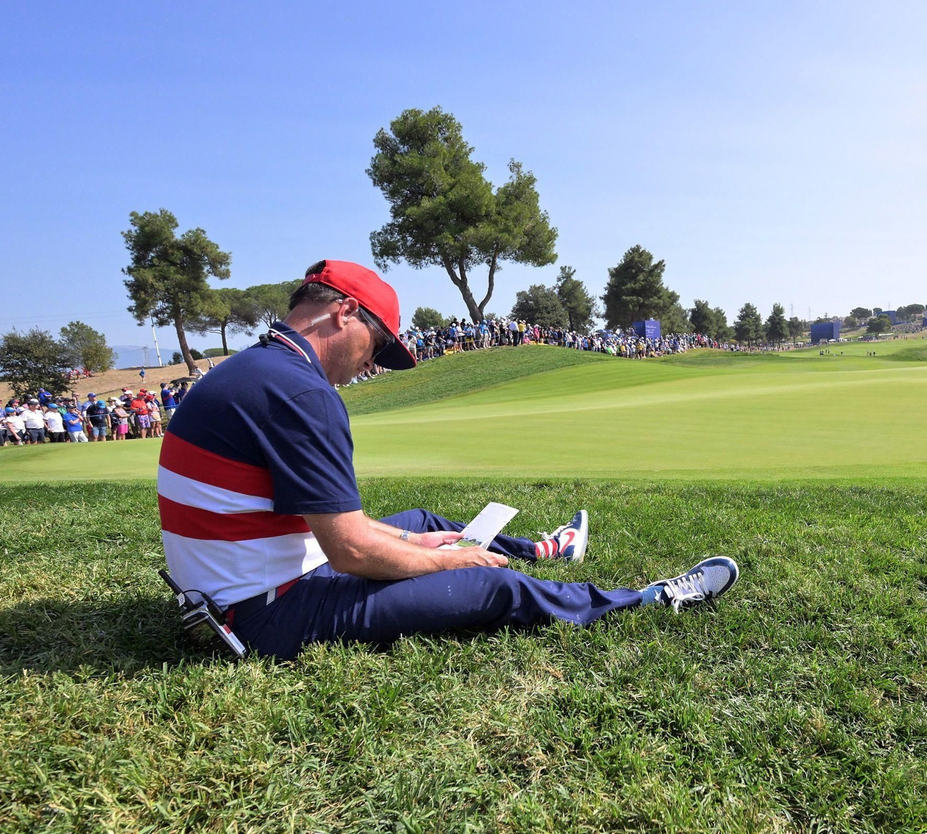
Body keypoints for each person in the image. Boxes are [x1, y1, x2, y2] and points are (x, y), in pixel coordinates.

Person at [159, 259, 738, 662]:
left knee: (425, 524)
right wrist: (448, 566)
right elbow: (351, 550)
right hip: (260, 616)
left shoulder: (251, 369)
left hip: (238, 588)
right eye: (379, 345)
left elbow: (331, 529)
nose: (375, 364)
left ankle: (544, 549)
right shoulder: (302, 392)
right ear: (344, 313)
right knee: (496, 589)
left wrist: (419, 546)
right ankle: (651, 598)